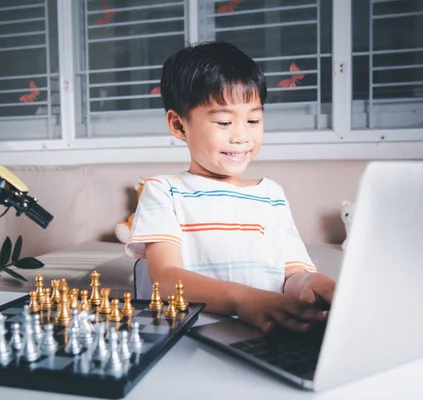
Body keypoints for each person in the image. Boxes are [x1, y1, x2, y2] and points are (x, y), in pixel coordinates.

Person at [125, 41, 336, 333]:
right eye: (224, 122)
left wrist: (315, 283)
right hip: (193, 337)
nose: (241, 136)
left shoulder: (271, 195)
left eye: (253, 119)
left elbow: (292, 276)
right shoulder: (164, 191)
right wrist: (243, 300)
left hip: (265, 334)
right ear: (178, 125)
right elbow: (167, 281)